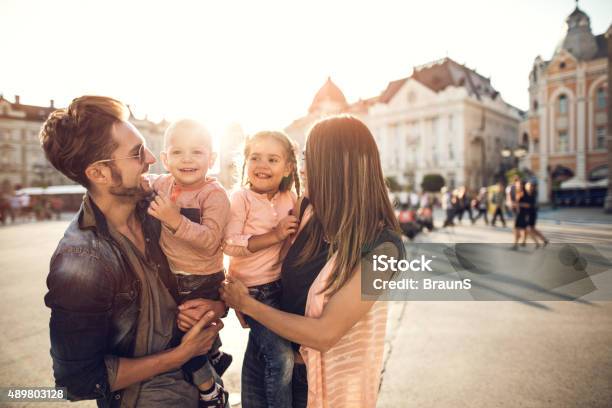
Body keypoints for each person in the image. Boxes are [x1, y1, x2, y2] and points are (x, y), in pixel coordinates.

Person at [41, 96, 224, 407]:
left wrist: (215, 305)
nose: (152, 158)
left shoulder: (159, 207)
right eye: (137, 153)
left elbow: (208, 264)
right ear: (98, 173)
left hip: (205, 391)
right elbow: (77, 381)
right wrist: (181, 354)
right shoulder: (80, 259)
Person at [216, 116, 405, 407]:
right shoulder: (306, 211)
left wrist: (249, 305)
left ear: (336, 167)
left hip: (317, 385)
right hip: (265, 360)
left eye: (308, 159)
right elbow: (257, 258)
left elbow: (325, 333)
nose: (301, 169)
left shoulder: (386, 249)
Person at [146, 119, 231, 406]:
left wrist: (174, 220)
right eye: (178, 152)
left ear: (212, 159)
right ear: (165, 159)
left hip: (202, 277)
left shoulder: (214, 194)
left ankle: (210, 389)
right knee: (190, 328)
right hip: (174, 275)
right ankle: (215, 354)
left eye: (197, 152)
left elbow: (210, 241)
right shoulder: (162, 183)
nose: (187, 159)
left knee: (184, 337)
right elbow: (138, 183)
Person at [222, 130, 300, 408]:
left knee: (262, 353)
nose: (262, 165)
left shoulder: (289, 198)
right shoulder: (240, 198)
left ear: (288, 167)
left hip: (280, 288)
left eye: (272, 159)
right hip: (252, 291)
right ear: (245, 162)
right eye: (255, 157)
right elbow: (229, 243)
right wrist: (275, 235)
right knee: (281, 358)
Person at [521, 181, 549, 247]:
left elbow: (528, 206)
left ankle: (540, 241)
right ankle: (524, 242)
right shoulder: (528, 194)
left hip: (530, 214)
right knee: (528, 228)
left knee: (530, 229)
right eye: (527, 186)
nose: (528, 187)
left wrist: (521, 204)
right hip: (530, 213)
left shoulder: (531, 195)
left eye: (529, 186)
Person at [512, 180, 529, 250]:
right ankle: (521, 242)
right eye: (517, 185)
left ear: (522, 185)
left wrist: (517, 204)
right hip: (518, 213)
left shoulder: (525, 194)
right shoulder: (517, 192)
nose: (517, 186)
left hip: (523, 213)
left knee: (520, 228)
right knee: (519, 228)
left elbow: (527, 205)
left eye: (519, 185)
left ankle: (518, 243)